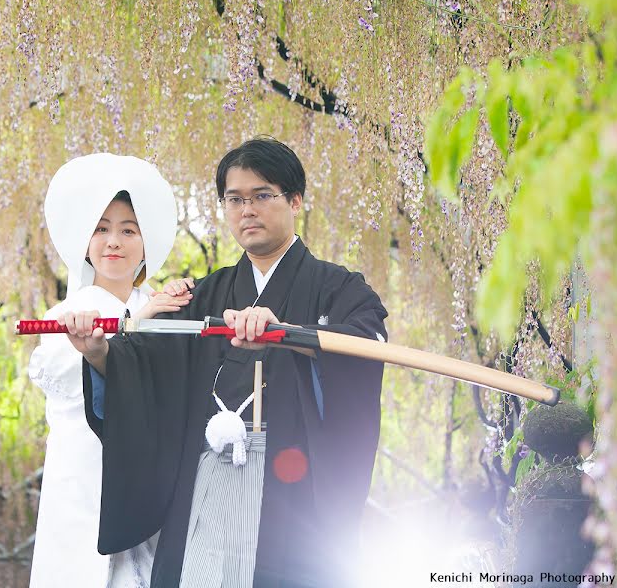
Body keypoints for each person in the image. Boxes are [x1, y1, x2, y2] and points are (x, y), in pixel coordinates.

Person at [59, 137, 389, 587]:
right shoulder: (205, 295)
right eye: (234, 199)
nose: (246, 210)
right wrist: (97, 353)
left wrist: (287, 335)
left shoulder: (339, 288)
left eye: (262, 196)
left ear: (295, 200)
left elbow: (368, 342)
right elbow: (146, 370)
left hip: (292, 487)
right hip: (207, 476)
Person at [27, 153, 191, 588]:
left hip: (151, 480)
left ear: (145, 242)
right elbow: (68, 383)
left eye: (128, 230)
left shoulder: (161, 308)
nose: (113, 242)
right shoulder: (66, 313)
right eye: (101, 229)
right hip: (86, 479)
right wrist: (121, 340)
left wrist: (152, 318)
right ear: (85, 241)